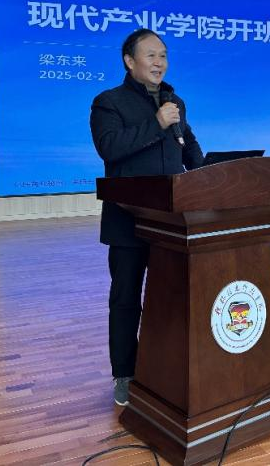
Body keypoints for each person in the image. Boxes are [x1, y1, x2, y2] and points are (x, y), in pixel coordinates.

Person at [90, 29, 204, 406]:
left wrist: (211, 176)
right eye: (151, 55)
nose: (160, 63)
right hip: (128, 221)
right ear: (129, 61)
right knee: (126, 299)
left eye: (164, 55)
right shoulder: (109, 102)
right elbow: (110, 149)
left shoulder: (175, 102)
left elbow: (190, 149)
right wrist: (156, 122)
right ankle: (125, 373)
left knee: (170, 298)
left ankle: (164, 365)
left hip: (171, 224)